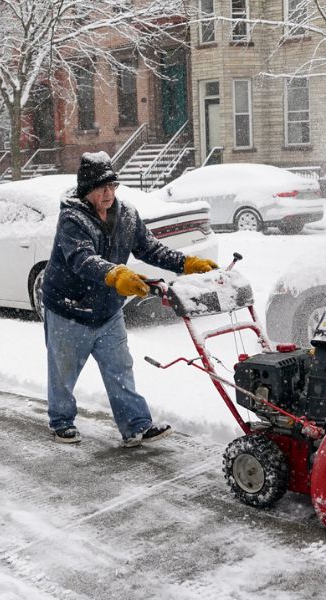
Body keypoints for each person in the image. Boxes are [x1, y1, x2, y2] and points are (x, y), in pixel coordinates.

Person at [41, 151, 218, 446]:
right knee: (63, 371)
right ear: (87, 190)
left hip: (108, 310)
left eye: (112, 186)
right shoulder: (72, 219)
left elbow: (150, 249)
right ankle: (61, 421)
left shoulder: (126, 216)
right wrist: (114, 274)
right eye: (102, 187)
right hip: (68, 308)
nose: (109, 193)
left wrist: (186, 262)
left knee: (120, 367)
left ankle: (136, 425)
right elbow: (81, 259)